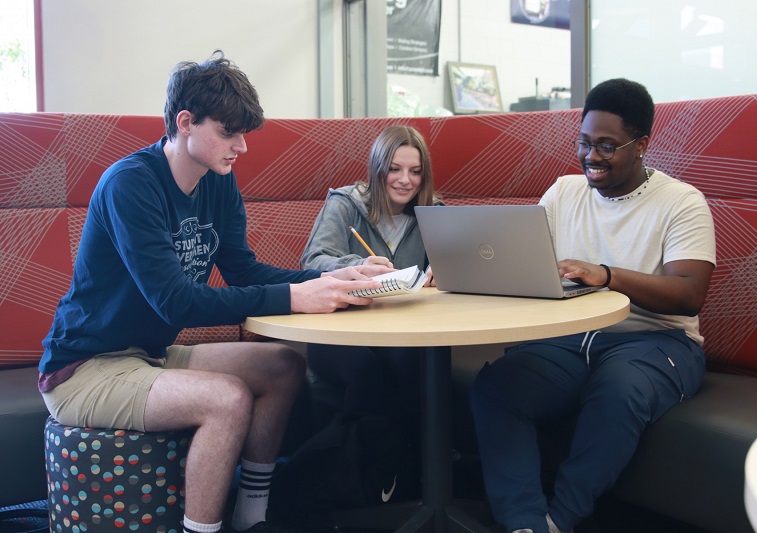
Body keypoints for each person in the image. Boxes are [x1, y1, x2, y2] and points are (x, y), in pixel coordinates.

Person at [38, 51, 391, 533]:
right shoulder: (131, 185)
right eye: (228, 132)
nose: (241, 147)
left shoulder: (217, 180)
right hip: (85, 368)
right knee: (225, 399)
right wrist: (295, 298)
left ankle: (253, 517)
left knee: (283, 365)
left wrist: (327, 280)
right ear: (185, 122)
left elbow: (243, 269)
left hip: (146, 355)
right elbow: (175, 300)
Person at [469, 78, 716, 533]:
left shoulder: (682, 202)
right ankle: (524, 523)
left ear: (641, 144)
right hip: (570, 338)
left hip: (656, 339)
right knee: (497, 387)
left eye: (606, 146)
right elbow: (524, 259)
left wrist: (607, 275)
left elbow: (688, 293)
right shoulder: (564, 192)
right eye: (584, 142)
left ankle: (559, 520)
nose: (591, 157)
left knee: (618, 390)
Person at [299, 124, 440, 440]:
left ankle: (406, 472)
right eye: (394, 169)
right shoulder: (345, 203)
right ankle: (363, 469)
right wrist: (359, 265)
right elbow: (311, 262)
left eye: (415, 172)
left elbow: (461, 269)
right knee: (369, 371)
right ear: (378, 169)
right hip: (342, 332)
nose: (405, 180)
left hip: (405, 332)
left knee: (415, 364)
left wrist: (446, 272)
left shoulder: (435, 213)